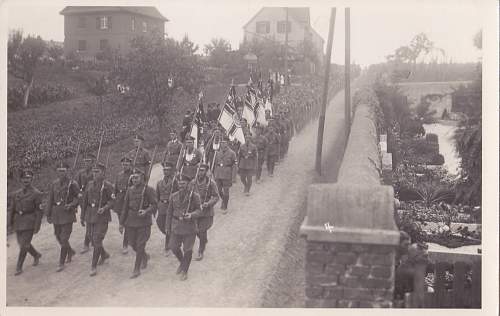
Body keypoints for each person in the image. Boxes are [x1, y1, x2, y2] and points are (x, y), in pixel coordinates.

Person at [119, 168, 157, 278]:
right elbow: (125, 208)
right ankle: (144, 256)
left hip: (143, 222)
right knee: (132, 244)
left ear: (142, 178)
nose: (134, 180)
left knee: (140, 245)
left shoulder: (149, 190)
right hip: (131, 221)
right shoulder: (129, 190)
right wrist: (121, 223)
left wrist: (146, 211)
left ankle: (136, 269)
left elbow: (155, 204)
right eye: (133, 177)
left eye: (137, 177)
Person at [166, 173, 202, 281]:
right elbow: (169, 212)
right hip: (176, 226)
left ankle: (185, 271)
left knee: (187, 250)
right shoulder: (173, 196)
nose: (181, 186)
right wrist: (168, 227)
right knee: (173, 247)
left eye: (184, 184)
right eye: (180, 184)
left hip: (189, 227)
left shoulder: (195, 196)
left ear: (188, 184)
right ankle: (182, 263)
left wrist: (191, 215)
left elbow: (199, 211)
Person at [81, 163, 114, 276]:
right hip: (90, 215)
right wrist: (82, 217)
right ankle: (104, 254)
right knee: (91, 237)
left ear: (103, 173)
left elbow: (113, 201)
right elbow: (85, 201)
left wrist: (105, 208)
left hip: (102, 216)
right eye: (93, 171)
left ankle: (93, 266)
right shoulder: (89, 184)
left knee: (97, 239)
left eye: (97, 172)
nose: (94, 174)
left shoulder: (108, 186)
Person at [46, 161, 80, 272]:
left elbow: (79, 197)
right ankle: (70, 251)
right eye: (59, 171)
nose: (61, 173)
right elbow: (50, 199)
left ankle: (61, 262)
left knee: (64, 238)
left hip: (67, 214)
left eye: (63, 171)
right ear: (57, 172)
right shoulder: (54, 184)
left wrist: (71, 204)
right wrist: (48, 214)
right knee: (57, 235)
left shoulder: (73, 183)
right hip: (56, 213)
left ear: (67, 171)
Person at [9, 169, 43, 276]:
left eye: (28, 178)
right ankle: (36, 255)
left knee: (24, 245)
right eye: (24, 178)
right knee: (23, 244)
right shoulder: (16, 194)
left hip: (29, 221)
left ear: (31, 179)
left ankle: (19, 266)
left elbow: (39, 211)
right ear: (20, 180)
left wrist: (37, 225)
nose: (26, 180)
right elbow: (12, 209)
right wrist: (10, 223)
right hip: (18, 222)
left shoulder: (37, 193)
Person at [188, 163, 219, 261]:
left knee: (202, 230)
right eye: (198, 170)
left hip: (206, 212)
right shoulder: (192, 183)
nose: (199, 172)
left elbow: (216, 196)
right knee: (195, 230)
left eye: (202, 170)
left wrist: (208, 203)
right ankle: (204, 240)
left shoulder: (211, 183)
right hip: (195, 211)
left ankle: (201, 251)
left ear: (206, 172)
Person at [155, 161, 178, 257]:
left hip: (170, 207)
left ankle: (168, 246)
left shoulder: (175, 182)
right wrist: (157, 206)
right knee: (160, 223)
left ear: (171, 171)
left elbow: (178, 195)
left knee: (168, 225)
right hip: (162, 207)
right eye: (164, 170)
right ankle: (173, 237)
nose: (166, 172)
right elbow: (157, 196)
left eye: (168, 170)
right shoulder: (159, 183)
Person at [113, 156, 133, 254]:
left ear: (130, 165)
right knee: (122, 221)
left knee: (127, 222)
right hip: (119, 200)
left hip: (128, 199)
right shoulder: (119, 175)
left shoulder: (133, 175)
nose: (125, 166)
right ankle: (125, 231)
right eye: (123, 164)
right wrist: (114, 193)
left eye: (127, 164)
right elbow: (115, 187)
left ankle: (125, 244)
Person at [77, 152, 96, 254]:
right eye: (85, 161)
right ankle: (87, 243)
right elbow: (77, 186)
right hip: (85, 200)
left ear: (92, 162)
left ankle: (91, 241)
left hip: (94, 200)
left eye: (88, 161)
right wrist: (79, 195)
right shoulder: (81, 173)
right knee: (89, 222)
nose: (86, 163)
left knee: (93, 222)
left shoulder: (96, 172)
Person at [213, 135, 237, 213]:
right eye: (222, 143)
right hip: (218, 173)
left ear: (228, 143)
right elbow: (215, 164)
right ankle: (224, 199)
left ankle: (225, 206)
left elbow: (234, 165)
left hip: (227, 173)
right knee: (219, 190)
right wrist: (214, 174)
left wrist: (233, 177)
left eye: (225, 143)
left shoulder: (232, 153)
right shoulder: (217, 153)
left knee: (226, 191)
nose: (223, 144)